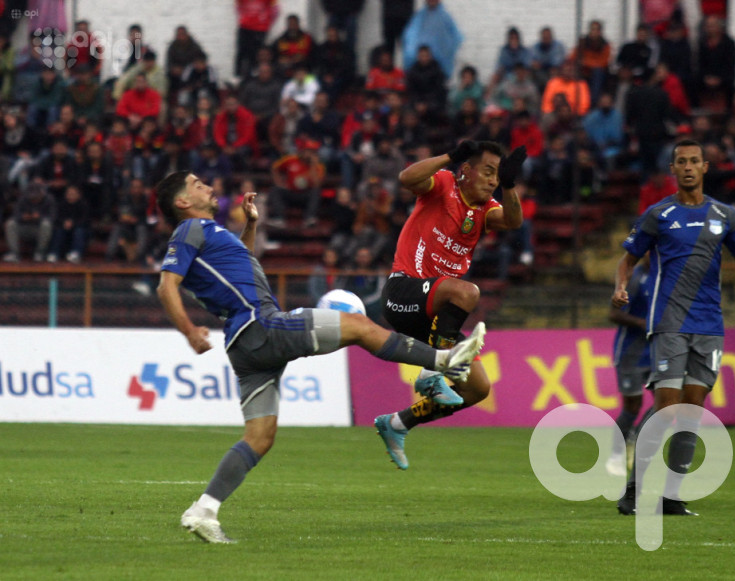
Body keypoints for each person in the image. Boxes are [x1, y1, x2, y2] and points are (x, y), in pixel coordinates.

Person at [154, 171, 487, 542]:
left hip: (245, 345)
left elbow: (242, 262)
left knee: (260, 436)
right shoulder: (188, 231)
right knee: (360, 326)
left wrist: (250, 225)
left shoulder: (212, 235)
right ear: (182, 202)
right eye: (197, 185)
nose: (208, 186)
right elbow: (167, 285)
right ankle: (443, 361)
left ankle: (204, 510)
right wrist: (188, 332)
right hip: (262, 326)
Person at [613, 139, 735, 516]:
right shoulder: (659, 214)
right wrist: (619, 288)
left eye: (695, 160)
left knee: (693, 411)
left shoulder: (725, 215)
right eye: (682, 162)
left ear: (705, 167)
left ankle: (672, 496)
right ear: (674, 170)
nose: (689, 167)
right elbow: (627, 259)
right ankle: (634, 490)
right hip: (669, 324)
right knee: (667, 409)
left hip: (709, 325)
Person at [373, 139, 526, 470]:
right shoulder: (443, 184)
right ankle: (432, 372)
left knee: (478, 389)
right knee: (467, 292)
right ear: (465, 170)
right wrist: (448, 156)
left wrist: (511, 186)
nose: (492, 181)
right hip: (404, 292)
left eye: (498, 176)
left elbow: (514, 221)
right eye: (488, 171)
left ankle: (398, 423)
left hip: (436, 316)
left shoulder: (485, 211)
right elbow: (406, 179)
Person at [605, 253, 652, 477]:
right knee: (632, 406)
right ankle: (616, 454)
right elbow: (613, 314)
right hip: (630, 353)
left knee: (670, 400)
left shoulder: (667, 278)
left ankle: (638, 435)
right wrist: (642, 323)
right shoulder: (635, 279)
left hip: (658, 351)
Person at [401, 0, 463, 79]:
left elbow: (455, 37)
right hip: (419, 64)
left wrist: (447, 49)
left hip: (439, 65)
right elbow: (409, 35)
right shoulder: (419, 16)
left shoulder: (445, 17)